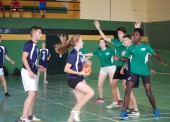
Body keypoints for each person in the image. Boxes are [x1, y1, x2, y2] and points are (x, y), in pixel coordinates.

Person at [117, 28, 167, 119]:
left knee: (149, 93)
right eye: (134, 35)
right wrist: (119, 58)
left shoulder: (146, 46)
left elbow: (155, 54)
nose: (134, 36)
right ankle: (124, 112)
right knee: (127, 90)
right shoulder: (131, 48)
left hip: (144, 73)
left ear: (140, 37)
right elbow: (126, 59)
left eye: (136, 35)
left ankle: (155, 110)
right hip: (134, 72)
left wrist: (162, 61)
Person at [55, 34, 94, 122]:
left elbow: (79, 66)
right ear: (77, 43)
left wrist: (86, 65)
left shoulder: (78, 54)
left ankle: (70, 120)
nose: (83, 42)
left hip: (78, 79)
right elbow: (66, 69)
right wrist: (79, 73)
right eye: (81, 41)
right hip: (73, 79)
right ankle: (74, 111)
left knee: (80, 102)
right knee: (91, 92)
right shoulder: (73, 54)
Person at [94, 20, 126, 108]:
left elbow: (133, 43)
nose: (119, 35)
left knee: (125, 87)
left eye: (121, 33)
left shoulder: (127, 40)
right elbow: (104, 38)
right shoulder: (115, 41)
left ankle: (127, 105)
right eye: (118, 33)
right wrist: (99, 29)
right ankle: (117, 101)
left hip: (126, 65)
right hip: (119, 65)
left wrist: (137, 28)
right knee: (114, 84)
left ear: (124, 34)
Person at [83, 38, 122, 104]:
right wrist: (82, 55)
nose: (101, 44)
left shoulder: (110, 50)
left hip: (111, 68)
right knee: (99, 84)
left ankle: (119, 100)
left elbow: (117, 56)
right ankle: (101, 98)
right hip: (103, 68)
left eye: (102, 42)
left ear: (105, 43)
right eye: (100, 42)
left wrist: (116, 57)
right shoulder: (98, 51)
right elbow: (91, 54)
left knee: (113, 84)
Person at [19, 26, 42, 122]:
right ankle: (23, 118)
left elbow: (32, 60)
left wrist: (38, 66)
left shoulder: (35, 46)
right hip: (28, 72)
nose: (41, 35)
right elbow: (24, 58)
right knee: (31, 94)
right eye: (40, 33)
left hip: (33, 71)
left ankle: (30, 116)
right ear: (34, 33)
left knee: (34, 94)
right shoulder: (29, 44)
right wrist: (29, 71)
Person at [118, 34, 140, 116]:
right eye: (123, 40)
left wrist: (137, 27)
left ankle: (136, 109)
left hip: (133, 71)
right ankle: (130, 106)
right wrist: (123, 67)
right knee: (125, 86)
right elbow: (128, 60)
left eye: (125, 40)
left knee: (128, 89)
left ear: (130, 40)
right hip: (128, 69)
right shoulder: (127, 48)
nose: (124, 41)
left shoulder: (132, 48)